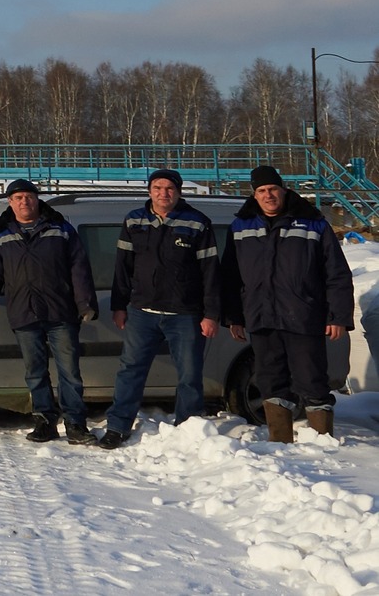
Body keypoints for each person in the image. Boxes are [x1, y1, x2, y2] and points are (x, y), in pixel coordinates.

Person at [220, 165, 354, 442]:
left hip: (304, 317)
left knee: (312, 381)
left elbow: (337, 274)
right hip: (261, 317)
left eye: (272, 189)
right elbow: (230, 276)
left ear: (283, 190)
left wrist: (338, 316)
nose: (268, 195)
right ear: (254, 195)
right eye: (261, 191)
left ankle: (323, 441)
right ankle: (280, 442)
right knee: (270, 381)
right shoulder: (241, 225)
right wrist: (234, 316)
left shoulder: (313, 223)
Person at [99, 168, 220, 449]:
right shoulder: (134, 220)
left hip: (186, 315)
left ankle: (187, 431)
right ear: (149, 191)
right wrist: (119, 305)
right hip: (142, 313)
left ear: (178, 192)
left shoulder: (197, 223)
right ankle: (117, 426)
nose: (163, 193)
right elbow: (122, 269)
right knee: (130, 371)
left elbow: (211, 273)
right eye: (157, 188)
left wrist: (211, 314)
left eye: (169, 188)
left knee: (189, 376)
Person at [0, 179, 99, 445]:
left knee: (70, 371)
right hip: (23, 312)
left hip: (60, 312)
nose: (24, 202)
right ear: (10, 202)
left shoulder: (61, 229)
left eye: (28, 197)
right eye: (18, 198)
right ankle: (44, 421)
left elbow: (79, 268)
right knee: (34, 371)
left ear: (37, 200)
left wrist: (85, 303)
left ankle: (76, 423)